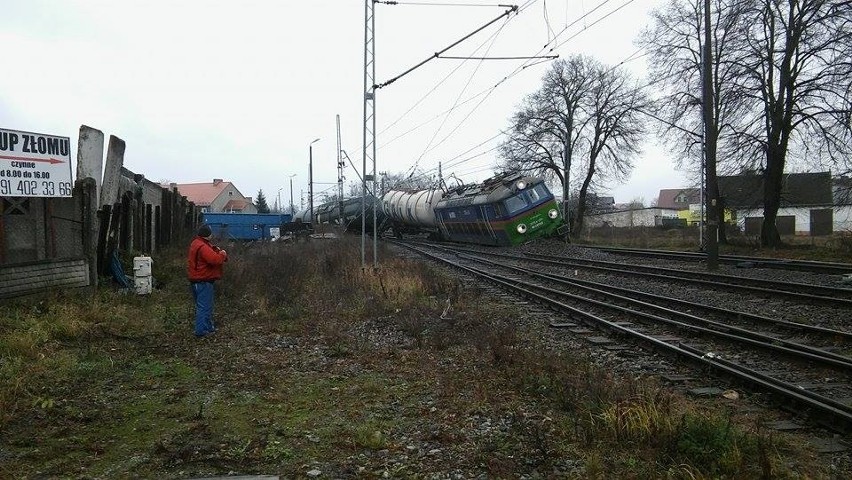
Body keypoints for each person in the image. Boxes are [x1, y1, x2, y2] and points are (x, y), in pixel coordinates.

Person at [187, 224, 228, 337]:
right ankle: (201, 331)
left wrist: (214, 250)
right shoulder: (202, 246)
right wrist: (222, 254)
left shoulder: (196, 243)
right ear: (208, 235)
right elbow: (215, 260)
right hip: (203, 280)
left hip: (196, 280)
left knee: (204, 307)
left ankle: (209, 328)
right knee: (204, 307)